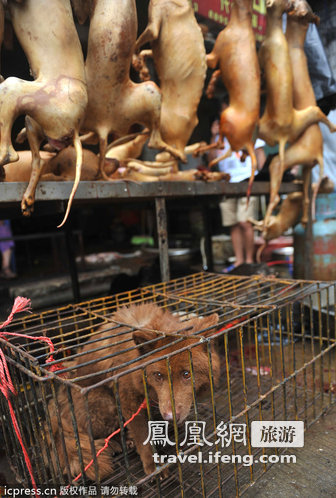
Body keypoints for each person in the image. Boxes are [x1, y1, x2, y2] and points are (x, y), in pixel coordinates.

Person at [209, 118, 266, 271]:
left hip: (246, 182)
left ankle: (249, 260)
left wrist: (260, 176)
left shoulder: (248, 132)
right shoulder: (218, 138)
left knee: (245, 222)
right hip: (227, 184)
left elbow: (260, 156)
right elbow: (211, 160)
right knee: (233, 223)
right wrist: (213, 136)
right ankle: (239, 261)